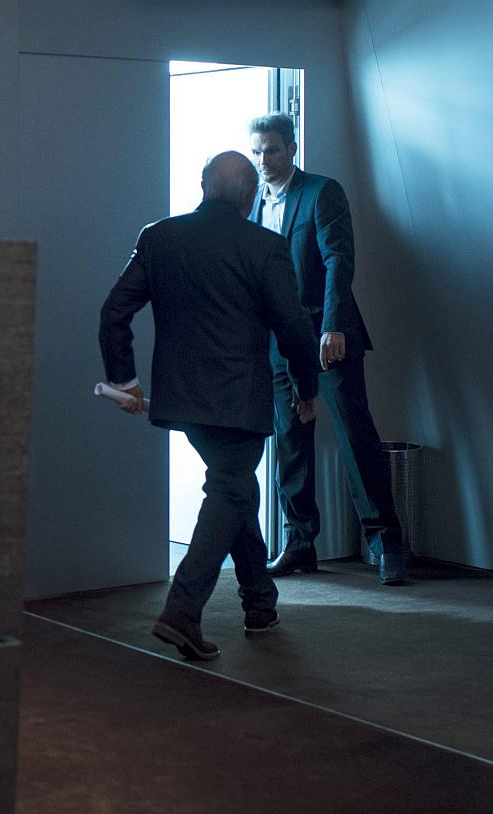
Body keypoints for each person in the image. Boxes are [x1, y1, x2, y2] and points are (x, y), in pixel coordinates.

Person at [99, 151, 320, 660]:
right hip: (239, 401)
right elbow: (294, 328)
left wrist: (125, 380)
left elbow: (114, 312)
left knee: (236, 487)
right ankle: (182, 611)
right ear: (249, 197)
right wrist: (306, 391)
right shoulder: (265, 246)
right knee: (230, 488)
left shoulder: (158, 237)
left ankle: (260, 604)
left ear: (202, 185)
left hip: (182, 400)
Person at [247, 113, 409, 585]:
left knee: (355, 437)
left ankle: (386, 544)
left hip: (326, 335)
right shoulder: (253, 203)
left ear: (292, 149)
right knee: (290, 442)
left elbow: (339, 259)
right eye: (257, 151)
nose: (263, 160)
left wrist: (334, 326)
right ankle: (299, 544)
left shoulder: (322, 191)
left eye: (272, 150)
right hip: (279, 343)